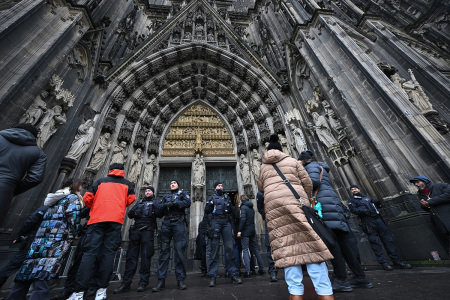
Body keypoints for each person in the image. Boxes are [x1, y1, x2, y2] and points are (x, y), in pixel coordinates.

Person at [258, 135, 334, 300]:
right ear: (281, 149)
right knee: (312, 246)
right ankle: (325, 295)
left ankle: (296, 296)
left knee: (287, 250)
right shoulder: (292, 161)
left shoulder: (263, 168)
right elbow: (307, 182)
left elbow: (261, 188)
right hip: (297, 206)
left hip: (275, 211)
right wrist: (304, 201)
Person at [298, 150, 373, 292]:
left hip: (326, 208)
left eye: (299, 162)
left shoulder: (312, 166)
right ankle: (360, 277)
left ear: (303, 161)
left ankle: (340, 278)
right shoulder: (320, 167)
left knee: (332, 243)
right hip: (332, 206)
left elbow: (313, 182)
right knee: (344, 244)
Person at [67, 163, 136, 300]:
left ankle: (79, 292)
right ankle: (101, 290)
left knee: (89, 254)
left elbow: (87, 199)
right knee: (108, 255)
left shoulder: (100, 181)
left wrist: (99, 205)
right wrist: (117, 205)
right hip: (115, 221)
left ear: (110, 170)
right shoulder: (127, 184)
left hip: (97, 220)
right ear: (123, 171)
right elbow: (131, 199)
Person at [7, 178, 83, 300]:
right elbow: (72, 218)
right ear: (76, 186)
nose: (81, 187)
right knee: (43, 274)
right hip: (55, 240)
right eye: (80, 185)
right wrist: (76, 233)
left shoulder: (53, 200)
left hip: (39, 239)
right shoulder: (72, 198)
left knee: (27, 273)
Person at [348, 185, 412, 271]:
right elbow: (353, 210)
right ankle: (384, 263)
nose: (354, 190)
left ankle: (397, 262)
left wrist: (377, 203)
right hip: (367, 221)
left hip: (378, 219)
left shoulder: (367, 197)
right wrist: (363, 210)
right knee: (375, 242)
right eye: (352, 189)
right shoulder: (352, 200)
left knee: (389, 240)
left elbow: (378, 207)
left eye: (355, 188)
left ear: (359, 189)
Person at [0, 123, 46, 226]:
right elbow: (35, 178)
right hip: (5, 188)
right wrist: (11, 188)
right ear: (34, 137)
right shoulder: (38, 153)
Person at [114, 186, 158, 293]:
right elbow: (130, 214)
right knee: (131, 257)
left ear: (153, 192)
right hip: (136, 230)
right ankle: (126, 283)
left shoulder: (156, 203)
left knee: (145, 256)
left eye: (149, 191)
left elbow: (159, 213)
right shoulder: (139, 203)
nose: (147, 192)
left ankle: (143, 282)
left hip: (147, 230)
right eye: (146, 191)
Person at [152, 180, 191, 292]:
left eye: (174, 183)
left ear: (178, 185)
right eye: (170, 183)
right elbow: (159, 214)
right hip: (166, 224)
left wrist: (175, 203)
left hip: (178, 223)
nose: (172, 184)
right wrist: (164, 205)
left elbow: (188, 203)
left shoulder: (183, 194)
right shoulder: (165, 197)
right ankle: (161, 281)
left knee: (179, 251)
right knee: (164, 251)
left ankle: (180, 280)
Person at [0, 206, 49, 289]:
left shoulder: (45, 209)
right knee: (16, 267)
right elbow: (30, 222)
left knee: (15, 267)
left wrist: (20, 236)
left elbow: (29, 222)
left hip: (32, 242)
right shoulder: (51, 210)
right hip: (38, 244)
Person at [205, 181, 242, 287]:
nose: (220, 187)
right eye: (218, 185)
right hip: (215, 222)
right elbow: (206, 211)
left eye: (221, 185)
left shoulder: (227, 198)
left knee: (230, 248)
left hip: (226, 223)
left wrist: (234, 223)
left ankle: (234, 274)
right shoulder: (211, 198)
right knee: (214, 249)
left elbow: (233, 211)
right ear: (215, 187)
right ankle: (212, 276)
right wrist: (210, 206)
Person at [410, 176, 450, 255]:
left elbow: (448, 195)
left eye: (418, 182)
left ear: (425, 181)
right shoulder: (420, 194)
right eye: (415, 183)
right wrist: (424, 205)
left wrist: (430, 201)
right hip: (438, 220)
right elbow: (426, 208)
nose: (416, 184)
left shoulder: (441, 186)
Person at [237, 195, 266, 277]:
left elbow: (243, 219)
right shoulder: (251, 208)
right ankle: (262, 269)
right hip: (252, 231)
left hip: (245, 232)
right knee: (255, 249)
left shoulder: (243, 208)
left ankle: (248, 271)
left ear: (241, 200)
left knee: (245, 249)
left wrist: (239, 230)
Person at [256, 191, 278, 282]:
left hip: (282, 216)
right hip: (270, 218)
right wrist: (265, 214)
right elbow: (260, 206)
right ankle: (273, 271)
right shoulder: (261, 192)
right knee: (270, 245)